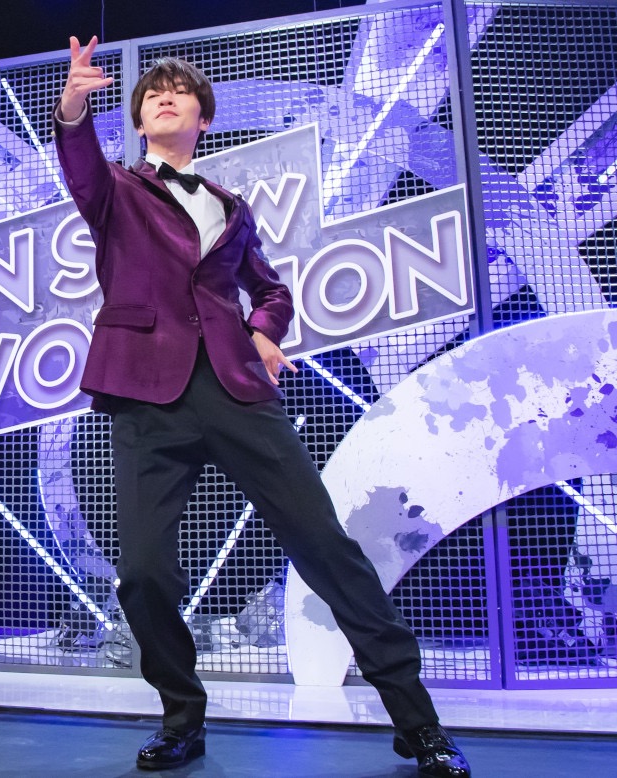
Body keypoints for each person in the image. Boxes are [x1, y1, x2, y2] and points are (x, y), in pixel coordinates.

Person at [53, 36, 470, 776]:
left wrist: (263, 332)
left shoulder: (231, 208)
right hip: (146, 394)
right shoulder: (116, 190)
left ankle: (419, 723)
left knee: (326, 548)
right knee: (143, 573)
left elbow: (271, 290)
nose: (166, 97)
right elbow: (79, 164)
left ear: (203, 119)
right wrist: (73, 108)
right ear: (140, 122)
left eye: (181, 91)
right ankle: (181, 719)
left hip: (235, 388)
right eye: (153, 95)